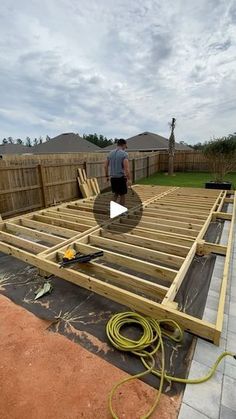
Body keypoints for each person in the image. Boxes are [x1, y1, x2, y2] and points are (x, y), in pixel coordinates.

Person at [104, 138, 131, 206]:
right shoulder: (124, 154)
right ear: (123, 145)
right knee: (122, 195)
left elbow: (105, 166)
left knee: (116, 194)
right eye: (125, 146)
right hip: (120, 178)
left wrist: (107, 176)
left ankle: (110, 208)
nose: (125, 148)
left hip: (113, 178)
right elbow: (126, 168)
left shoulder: (110, 153)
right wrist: (129, 179)